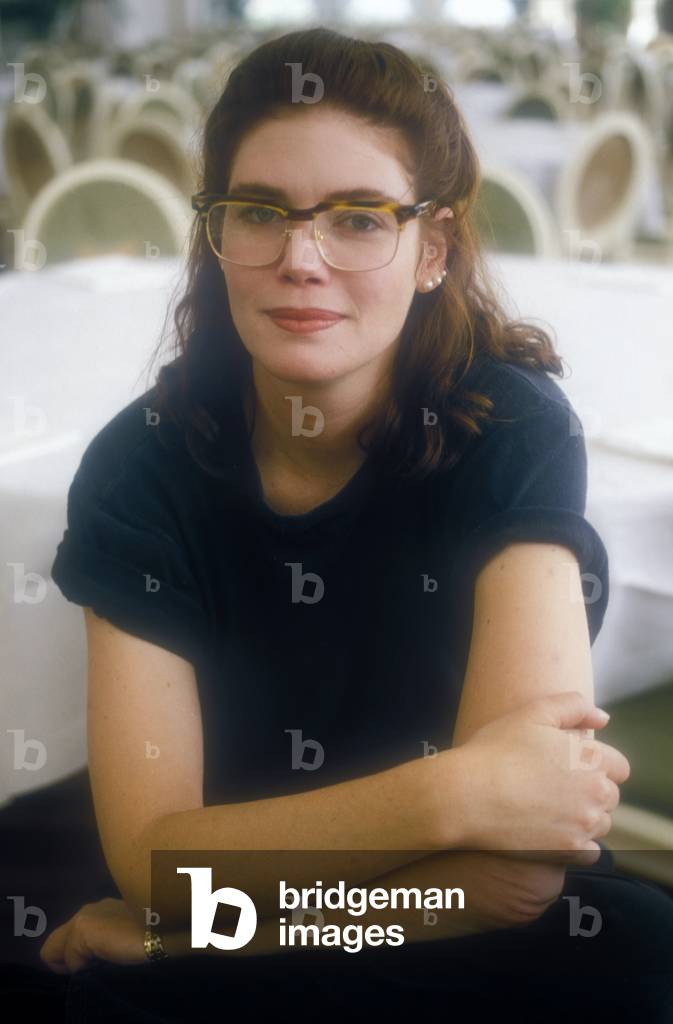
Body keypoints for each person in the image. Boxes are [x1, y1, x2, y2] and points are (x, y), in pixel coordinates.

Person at [34, 26, 673, 1021]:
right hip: (346, 913)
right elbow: (157, 859)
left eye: (360, 218)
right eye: (259, 212)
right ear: (214, 234)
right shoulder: (139, 465)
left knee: (638, 964)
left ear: (434, 248)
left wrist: (200, 921)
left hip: (335, 931)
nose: (300, 258)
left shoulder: (510, 426)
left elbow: (514, 882)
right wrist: (457, 796)